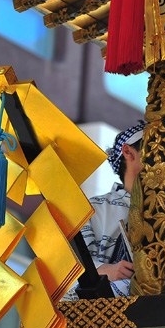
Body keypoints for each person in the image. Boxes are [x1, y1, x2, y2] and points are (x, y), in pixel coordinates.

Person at [64, 122, 144, 300]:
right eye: (152, 151)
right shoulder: (90, 210)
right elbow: (63, 268)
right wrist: (104, 270)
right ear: (128, 152)